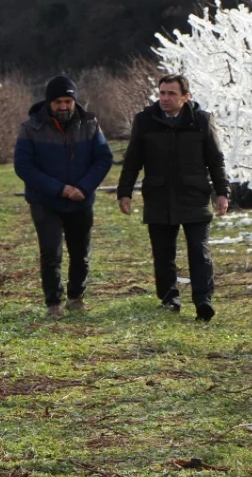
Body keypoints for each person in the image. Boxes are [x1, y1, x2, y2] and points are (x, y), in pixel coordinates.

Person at [116, 74, 229, 321]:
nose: (165, 98)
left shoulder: (201, 121)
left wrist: (222, 193)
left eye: (171, 94)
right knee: (163, 253)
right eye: (162, 93)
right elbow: (133, 159)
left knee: (199, 251)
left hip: (195, 196)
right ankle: (170, 299)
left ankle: (203, 301)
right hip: (158, 196)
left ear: (185, 97)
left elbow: (215, 160)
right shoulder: (145, 121)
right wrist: (124, 192)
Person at [14, 76, 114, 319]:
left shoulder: (90, 124)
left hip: (81, 199)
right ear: (49, 102)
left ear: (74, 101)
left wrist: (84, 187)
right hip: (45, 200)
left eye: (68, 101)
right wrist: (60, 189)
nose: (63, 106)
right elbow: (24, 166)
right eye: (58, 101)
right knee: (51, 252)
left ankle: (76, 297)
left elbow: (103, 158)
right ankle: (54, 302)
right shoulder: (31, 128)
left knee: (80, 252)